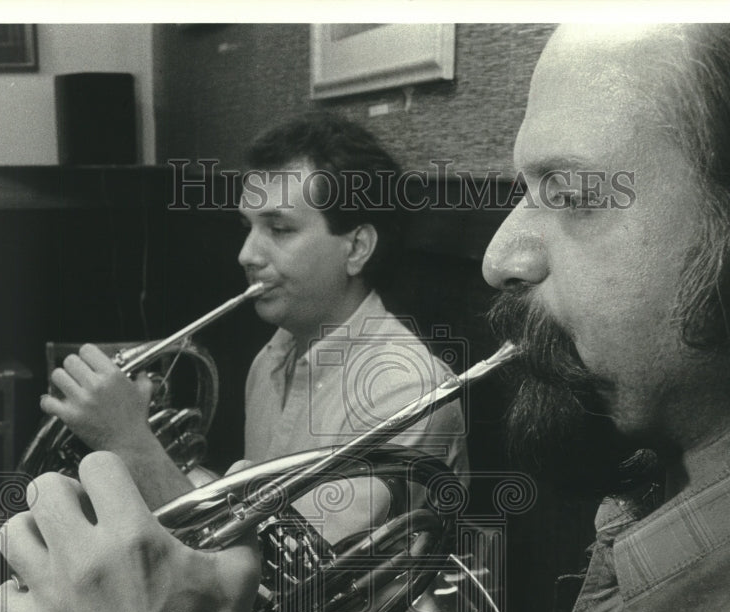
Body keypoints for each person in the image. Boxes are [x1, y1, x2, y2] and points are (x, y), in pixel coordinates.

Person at [0, 23, 730, 612]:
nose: (499, 255)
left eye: (569, 194)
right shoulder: (658, 478)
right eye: (523, 189)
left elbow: (287, 590)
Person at [40, 111, 468, 514]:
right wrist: (148, 443)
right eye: (248, 228)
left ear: (356, 248)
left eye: (279, 229)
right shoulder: (270, 359)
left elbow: (292, 580)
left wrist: (131, 443)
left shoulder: (406, 389)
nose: (246, 254)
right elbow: (257, 519)